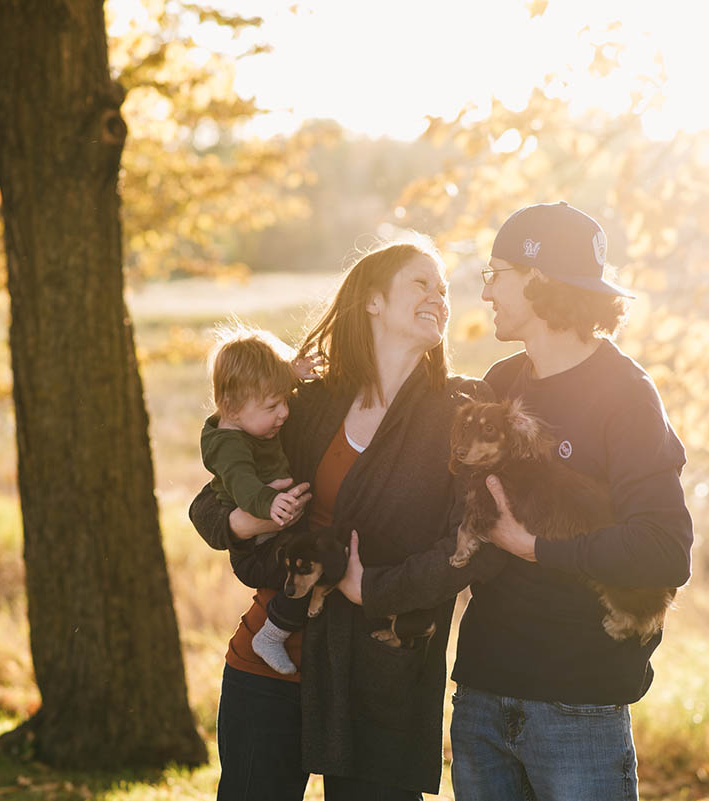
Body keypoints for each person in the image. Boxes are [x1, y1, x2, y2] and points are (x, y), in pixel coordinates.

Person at [340, 202, 694, 800]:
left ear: (536, 278)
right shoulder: (499, 385)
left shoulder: (626, 395)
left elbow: (664, 551)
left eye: (494, 274)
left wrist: (534, 547)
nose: (485, 294)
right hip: (481, 697)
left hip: (577, 708)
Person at [189, 238, 488, 800]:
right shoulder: (309, 403)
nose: (439, 298)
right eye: (422, 283)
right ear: (372, 300)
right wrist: (248, 524)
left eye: (444, 289)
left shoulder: (457, 411)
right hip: (272, 662)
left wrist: (370, 586)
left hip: (379, 676)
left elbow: (471, 543)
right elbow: (209, 506)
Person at [199, 328, 314, 675]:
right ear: (231, 407)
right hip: (256, 550)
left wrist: (292, 373)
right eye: (272, 406)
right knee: (312, 569)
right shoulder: (228, 445)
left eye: (285, 400)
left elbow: (263, 389)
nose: (284, 413)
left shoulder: (249, 416)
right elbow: (244, 486)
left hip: (269, 535)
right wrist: (271, 505)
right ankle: (271, 635)